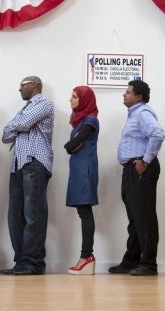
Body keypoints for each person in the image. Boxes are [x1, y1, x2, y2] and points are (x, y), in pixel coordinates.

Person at [109, 80, 165, 276]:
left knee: (144, 217)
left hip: (141, 168)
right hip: (131, 169)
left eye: (128, 92)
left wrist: (146, 162)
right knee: (135, 218)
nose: (124, 95)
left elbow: (158, 135)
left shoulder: (142, 113)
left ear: (138, 96)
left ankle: (149, 264)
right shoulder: (134, 114)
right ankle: (131, 260)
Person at [0, 76, 54, 275]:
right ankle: (21, 262)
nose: (19, 90)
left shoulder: (44, 103)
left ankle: (34, 263)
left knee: (34, 215)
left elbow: (21, 125)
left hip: (34, 162)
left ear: (34, 85)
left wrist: (17, 124)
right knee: (15, 215)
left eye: (21, 85)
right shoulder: (25, 109)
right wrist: (18, 124)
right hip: (18, 164)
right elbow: (5, 135)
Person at [64, 86, 99, 275]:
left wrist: (71, 146)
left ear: (84, 100)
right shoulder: (81, 121)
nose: (71, 100)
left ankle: (86, 257)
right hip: (79, 169)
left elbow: (72, 145)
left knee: (85, 212)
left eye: (75, 97)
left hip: (85, 170)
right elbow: (73, 145)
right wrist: (72, 146)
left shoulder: (90, 120)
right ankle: (86, 257)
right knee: (82, 211)